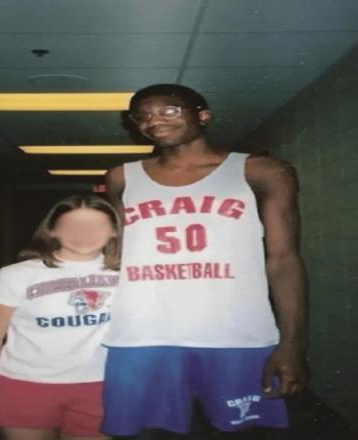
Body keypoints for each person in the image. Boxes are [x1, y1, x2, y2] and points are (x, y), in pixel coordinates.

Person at [101, 84, 307, 436]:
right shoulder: (121, 177)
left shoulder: (261, 171)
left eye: (168, 111)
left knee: (238, 431)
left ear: (203, 116)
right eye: (142, 116)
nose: (154, 121)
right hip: (143, 333)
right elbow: (113, 253)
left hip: (235, 333)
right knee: (149, 433)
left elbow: (284, 259)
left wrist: (293, 343)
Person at [0, 195, 121, 440]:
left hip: (101, 387)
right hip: (24, 386)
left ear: (114, 231)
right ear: (52, 230)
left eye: (96, 225)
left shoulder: (132, 275)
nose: (84, 233)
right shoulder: (15, 275)